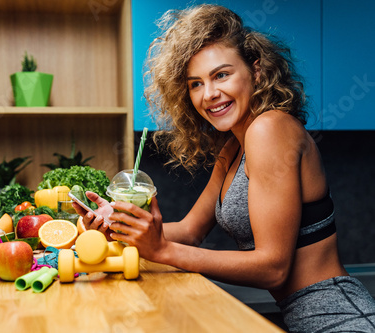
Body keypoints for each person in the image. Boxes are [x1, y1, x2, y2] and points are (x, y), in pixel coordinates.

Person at [72, 4, 375, 332]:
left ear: (256, 71)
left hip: (340, 317)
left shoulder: (270, 129)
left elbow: (273, 268)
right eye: (196, 83)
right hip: (304, 317)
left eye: (221, 75)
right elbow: (190, 231)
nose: (210, 94)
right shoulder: (233, 147)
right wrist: (122, 225)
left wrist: (161, 250)